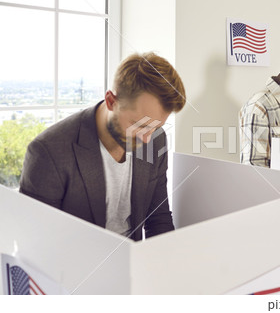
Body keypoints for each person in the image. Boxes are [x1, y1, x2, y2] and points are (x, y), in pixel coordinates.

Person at [20, 52, 186, 241]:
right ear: (111, 101)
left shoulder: (155, 139)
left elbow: (158, 218)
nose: (147, 139)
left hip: (133, 262)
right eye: (139, 125)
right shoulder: (48, 153)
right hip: (75, 266)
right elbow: (36, 243)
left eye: (156, 127)